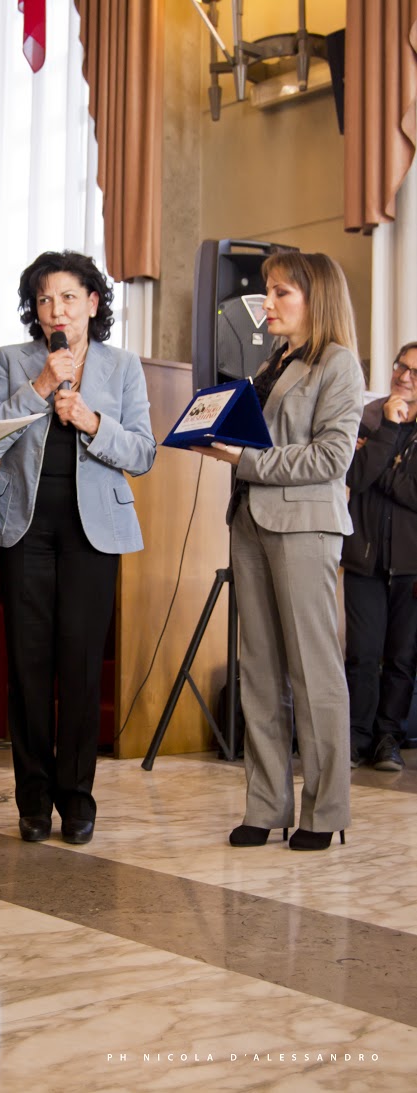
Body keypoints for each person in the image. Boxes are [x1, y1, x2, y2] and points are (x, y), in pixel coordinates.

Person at [0, 251, 156, 844]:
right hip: (23, 528)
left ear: (93, 304)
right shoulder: (12, 360)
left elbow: (143, 452)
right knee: (27, 667)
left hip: (91, 533)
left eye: (70, 297)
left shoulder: (122, 366)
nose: (57, 310)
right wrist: (40, 388)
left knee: (79, 667)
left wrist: (93, 422)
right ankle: (32, 801)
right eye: (45, 299)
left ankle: (78, 800)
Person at [195, 251, 364, 851]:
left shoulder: (338, 363)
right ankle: (266, 806)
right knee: (259, 673)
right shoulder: (274, 360)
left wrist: (244, 458)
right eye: (267, 290)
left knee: (313, 673)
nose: (265, 303)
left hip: (305, 527)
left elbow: (330, 458)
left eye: (280, 292)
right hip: (250, 521)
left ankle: (325, 810)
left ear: (317, 299)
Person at [343, 341, 417, 772]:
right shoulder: (369, 417)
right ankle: (356, 737)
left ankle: (389, 738)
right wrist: (388, 429)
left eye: (414, 372)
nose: (404, 377)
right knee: (363, 654)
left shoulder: (370, 436)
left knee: (403, 658)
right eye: (400, 366)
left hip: (412, 565)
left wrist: (379, 463)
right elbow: (355, 475)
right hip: (364, 557)